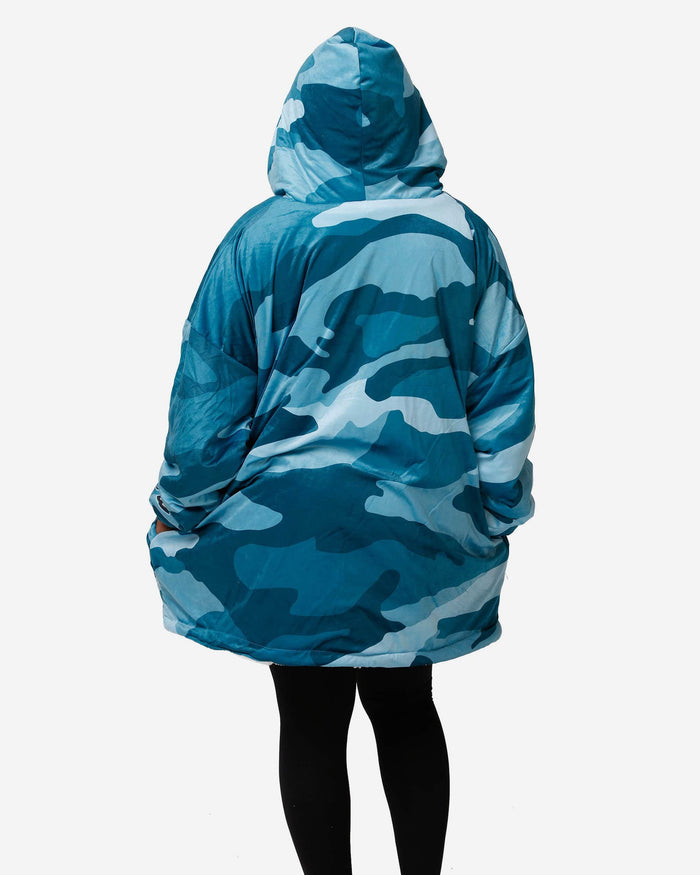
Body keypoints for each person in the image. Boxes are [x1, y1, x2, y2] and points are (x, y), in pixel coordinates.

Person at [146, 25, 536, 875]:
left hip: (287, 528)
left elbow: (208, 397)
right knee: (408, 707)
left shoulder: (258, 239)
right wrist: (501, 504)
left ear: (298, 118)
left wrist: (179, 505)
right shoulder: (463, 238)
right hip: (421, 525)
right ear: (410, 117)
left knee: (309, 719)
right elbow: (503, 385)